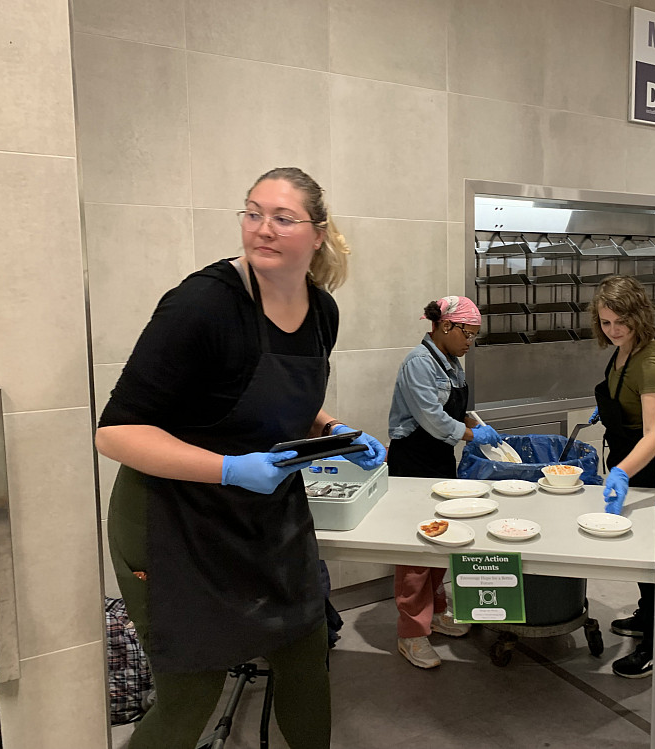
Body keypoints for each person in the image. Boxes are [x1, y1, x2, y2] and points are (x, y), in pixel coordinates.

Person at [95, 167, 386, 748]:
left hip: (266, 521)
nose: (264, 229)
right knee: (190, 694)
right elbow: (117, 432)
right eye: (253, 213)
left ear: (318, 233)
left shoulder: (321, 312)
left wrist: (332, 427)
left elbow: (274, 401)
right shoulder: (202, 304)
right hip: (174, 525)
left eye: (283, 218)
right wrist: (229, 469)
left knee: (306, 661)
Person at [386, 296, 503, 668]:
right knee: (415, 551)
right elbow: (432, 419)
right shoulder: (418, 363)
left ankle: (435, 613)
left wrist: (477, 425)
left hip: (438, 458)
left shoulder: (450, 362)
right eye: (468, 333)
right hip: (412, 460)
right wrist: (470, 437)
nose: (471, 342)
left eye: (475, 336)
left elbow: (454, 411)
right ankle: (411, 633)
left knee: (440, 538)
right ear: (446, 327)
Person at [590, 275, 655, 679]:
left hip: (648, 468)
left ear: (639, 314)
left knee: (654, 559)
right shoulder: (623, 351)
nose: (614, 328)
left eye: (620, 319)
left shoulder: (650, 359)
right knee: (637, 555)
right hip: (628, 462)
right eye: (606, 322)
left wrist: (622, 471)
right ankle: (645, 617)